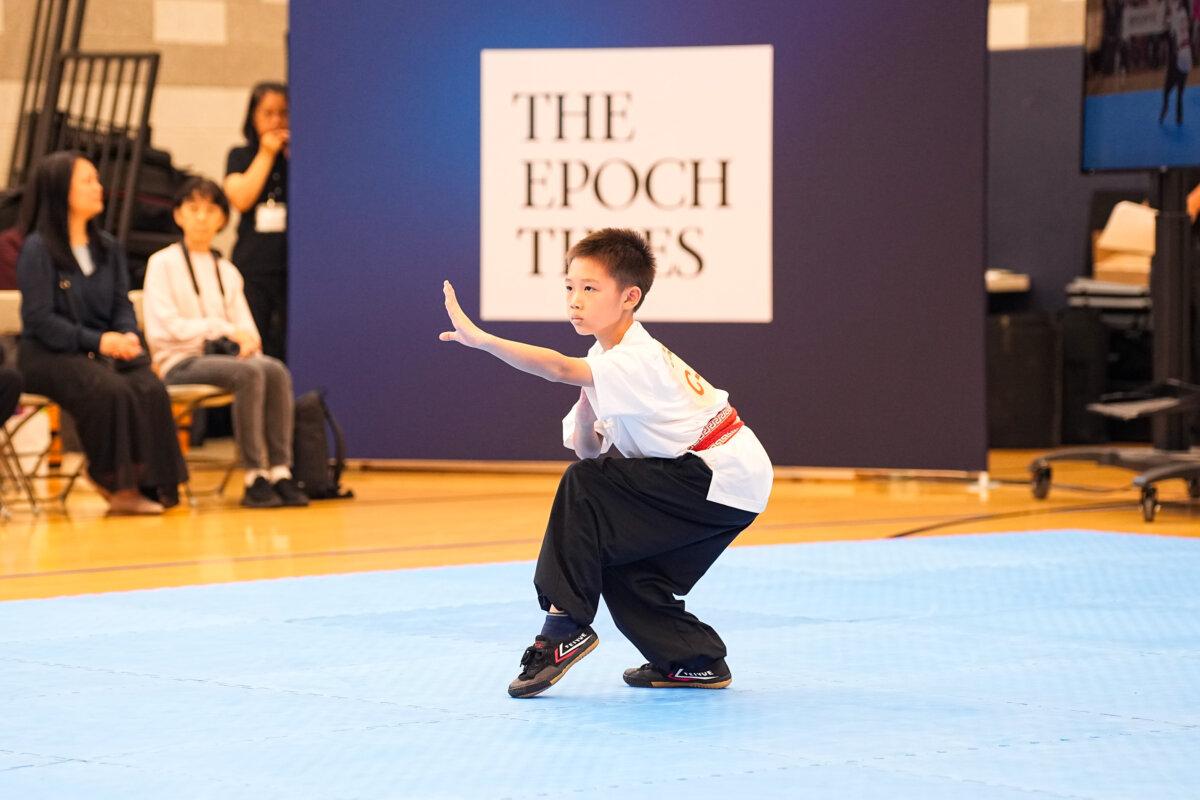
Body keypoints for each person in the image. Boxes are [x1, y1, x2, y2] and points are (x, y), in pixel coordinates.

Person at [439, 228, 773, 698]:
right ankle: (693, 660)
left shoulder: (636, 359)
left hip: (715, 472)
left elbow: (557, 370)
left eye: (590, 289)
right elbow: (588, 449)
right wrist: (588, 400)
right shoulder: (606, 359)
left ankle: (563, 628)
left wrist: (484, 341)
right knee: (626, 568)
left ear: (630, 297)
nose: (575, 300)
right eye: (569, 287)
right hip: (730, 482)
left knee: (584, 487)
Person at [16, 151, 187, 514]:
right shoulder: (37, 249)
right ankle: (116, 483)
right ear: (62, 191)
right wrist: (98, 341)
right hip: (48, 354)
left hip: (101, 349)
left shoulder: (108, 247)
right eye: (88, 181)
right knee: (109, 389)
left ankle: (155, 484)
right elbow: (40, 319)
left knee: (149, 385)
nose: (99, 188)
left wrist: (126, 335)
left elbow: (121, 305)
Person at [143, 177, 308, 509]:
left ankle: (279, 470)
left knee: (273, 368)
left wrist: (245, 342)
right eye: (193, 209)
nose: (201, 217)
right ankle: (253, 476)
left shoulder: (227, 270)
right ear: (178, 216)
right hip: (180, 363)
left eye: (210, 209)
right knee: (248, 374)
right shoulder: (162, 263)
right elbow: (165, 329)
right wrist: (219, 329)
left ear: (222, 218)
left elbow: (247, 329)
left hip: (225, 361)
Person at [224, 82, 290, 362]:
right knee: (255, 340)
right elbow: (240, 198)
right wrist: (267, 153)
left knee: (285, 343)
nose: (276, 120)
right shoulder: (240, 155)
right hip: (254, 266)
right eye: (268, 113)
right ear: (253, 116)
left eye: (283, 113)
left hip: (291, 267)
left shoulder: (299, 157)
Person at [1162, 0, 1192, 125]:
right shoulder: (1184, 13)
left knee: (1168, 88)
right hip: (1187, 54)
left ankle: (1166, 105)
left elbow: (1167, 28)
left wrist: (1167, 19)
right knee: (1180, 91)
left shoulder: (1177, 16)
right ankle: (1179, 117)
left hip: (1179, 55)